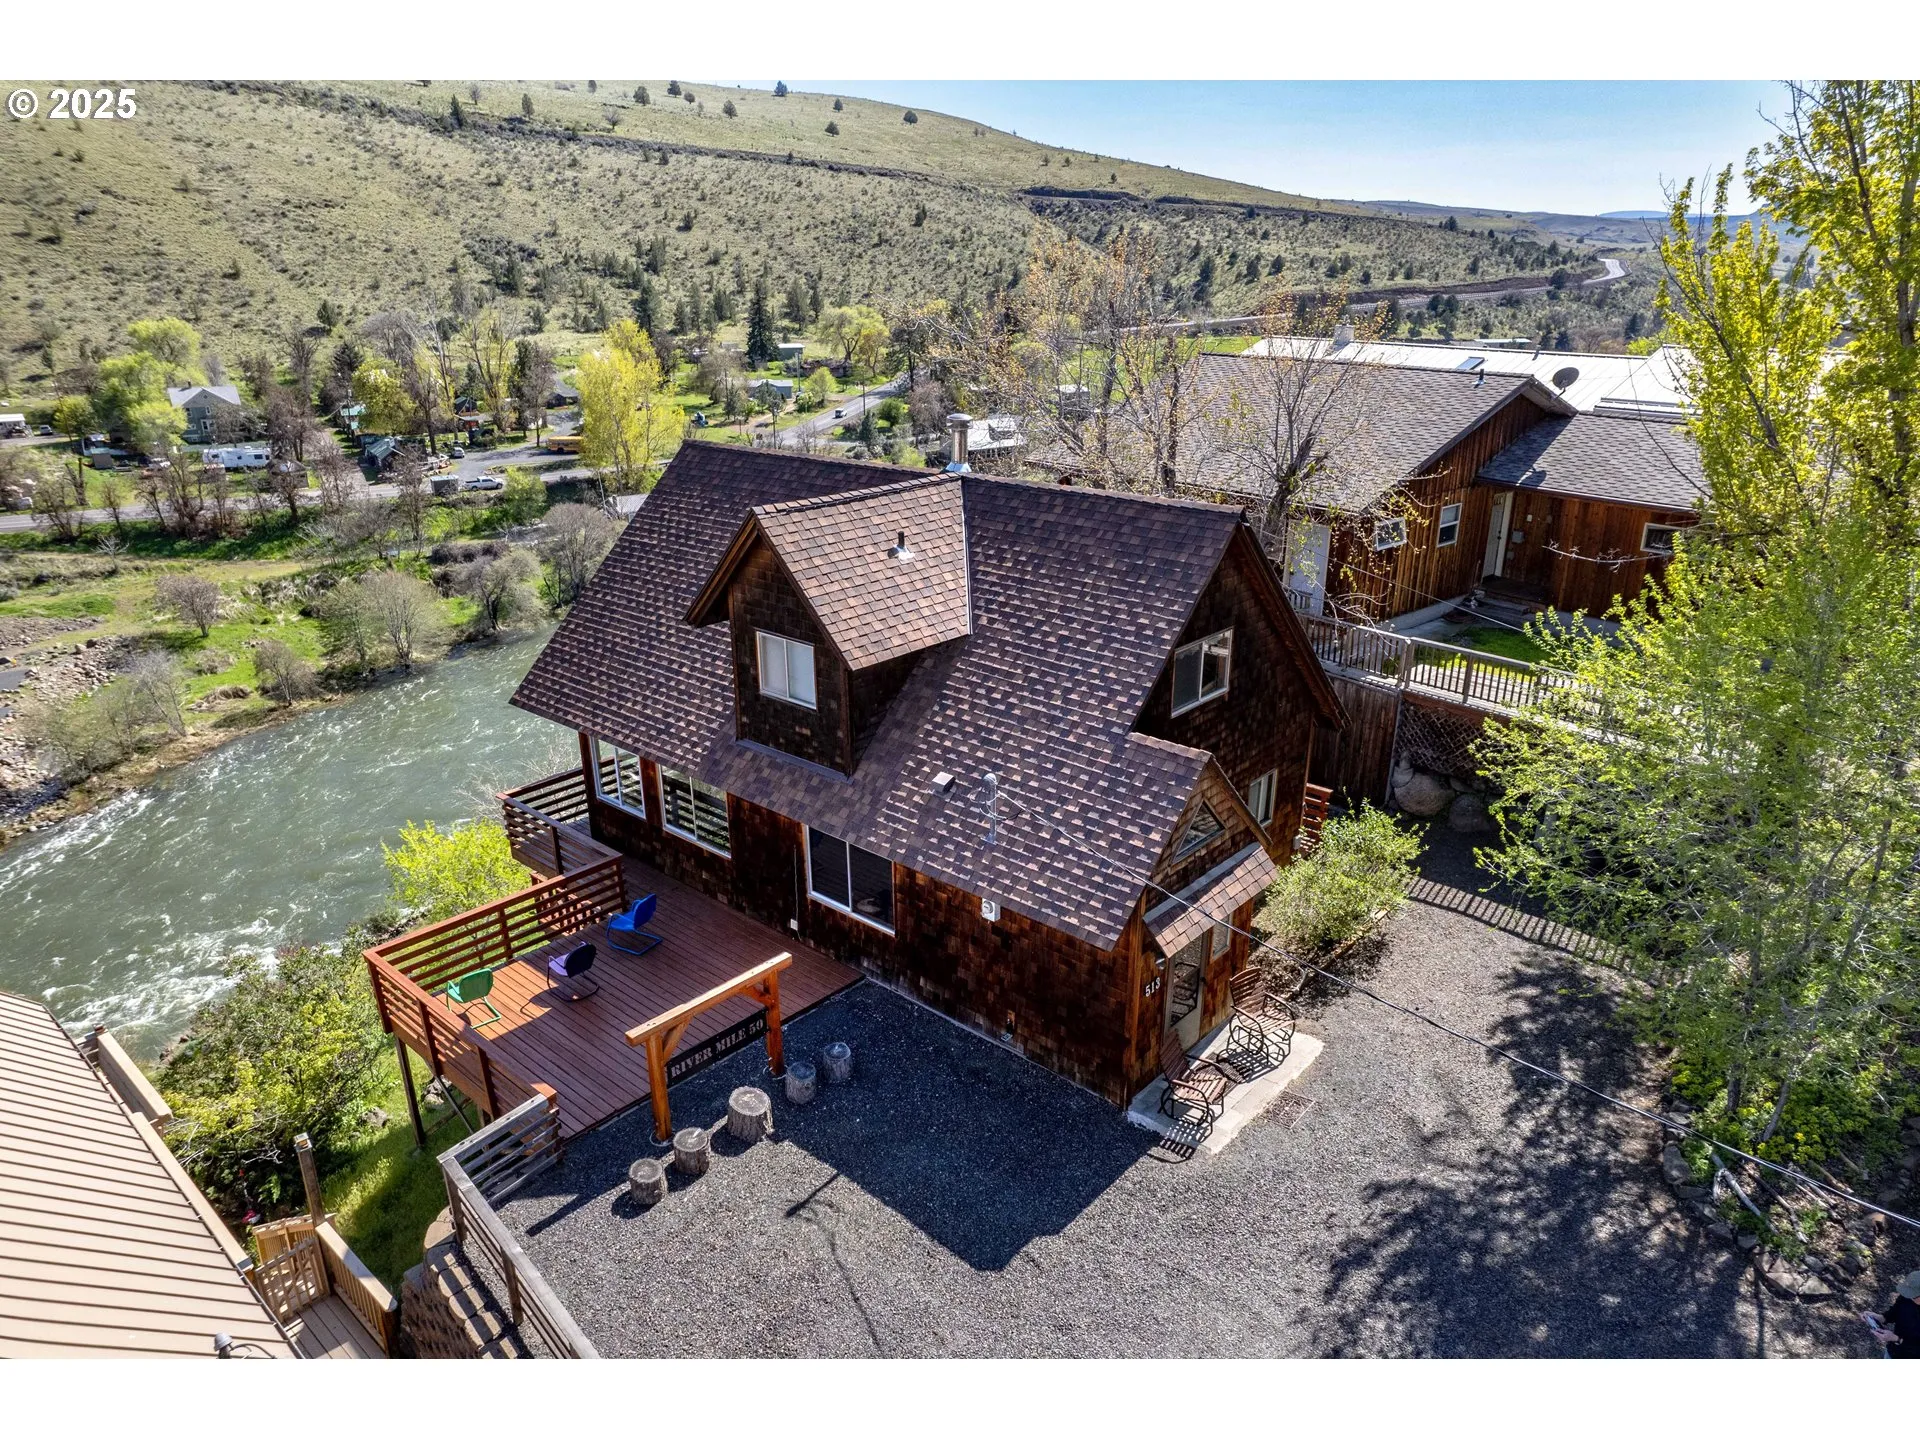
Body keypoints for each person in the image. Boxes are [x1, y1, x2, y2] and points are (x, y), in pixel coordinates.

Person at [1864, 1271, 1920, 1358]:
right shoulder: (1906, 1297)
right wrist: (1878, 1317)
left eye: (1913, 1295)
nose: (1909, 1297)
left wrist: (1896, 1339)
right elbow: (1893, 1313)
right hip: (1892, 1352)